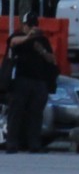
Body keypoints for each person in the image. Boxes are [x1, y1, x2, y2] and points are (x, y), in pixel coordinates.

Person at [5, 12, 58, 153]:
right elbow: (12, 43)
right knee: (16, 112)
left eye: (35, 25)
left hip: (39, 80)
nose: (32, 27)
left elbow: (52, 59)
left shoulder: (43, 40)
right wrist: (28, 37)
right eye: (30, 25)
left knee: (36, 113)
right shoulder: (18, 36)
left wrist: (41, 51)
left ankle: (34, 143)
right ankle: (12, 143)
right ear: (24, 25)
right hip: (21, 79)